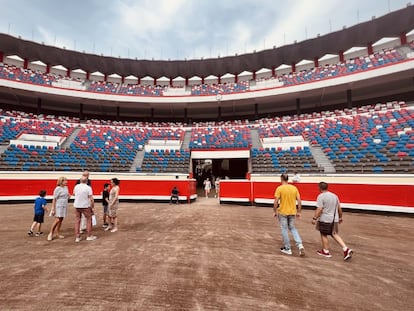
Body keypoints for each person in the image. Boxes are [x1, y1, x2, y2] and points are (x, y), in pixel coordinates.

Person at [311, 182, 353, 261]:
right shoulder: (335, 196)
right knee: (334, 234)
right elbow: (339, 208)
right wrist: (340, 217)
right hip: (334, 219)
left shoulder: (321, 196)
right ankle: (345, 248)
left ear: (320, 188)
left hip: (325, 219)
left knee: (323, 234)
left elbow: (319, 209)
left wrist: (314, 218)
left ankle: (326, 251)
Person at [273, 174, 305, 256]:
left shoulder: (279, 188)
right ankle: (300, 244)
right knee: (292, 228)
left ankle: (287, 248)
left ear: (281, 179)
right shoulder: (294, 188)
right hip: (292, 211)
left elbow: (276, 201)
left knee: (284, 229)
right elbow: (299, 201)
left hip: (283, 212)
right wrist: (299, 211)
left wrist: (275, 211)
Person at [73, 176, 96, 242]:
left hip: (77, 205)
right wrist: (92, 207)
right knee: (89, 219)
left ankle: (77, 237)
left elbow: (74, 194)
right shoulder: (88, 188)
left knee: (77, 220)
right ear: (87, 181)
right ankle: (89, 235)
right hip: (85, 205)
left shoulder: (76, 187)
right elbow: (91, 199)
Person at [47, 177, 69, 241]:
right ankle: (51, 233)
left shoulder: (66, 188)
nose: (66, 182)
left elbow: (67, 195)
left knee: (61, 219)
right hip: (58, 205)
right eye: (65, 181)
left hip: (64, 204)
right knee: (57, 219)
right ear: (61, 182)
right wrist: (53, 208)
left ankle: (58, 233)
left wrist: (68, 196)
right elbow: (54, 199)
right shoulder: (57, 189)